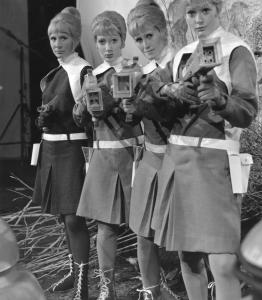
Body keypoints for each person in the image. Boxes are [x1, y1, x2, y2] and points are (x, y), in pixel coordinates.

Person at [145, 0, 258, 299]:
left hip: (216, 164)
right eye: (191, 12)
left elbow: (247, 110)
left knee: (222, 262)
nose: (197, 19)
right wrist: (170, 91)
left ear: (218, 9)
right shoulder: (181, 54)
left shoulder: (236, 50)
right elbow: (152, 96)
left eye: (205, 10)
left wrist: (221, 102)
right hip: (179, 160)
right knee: (189, 257)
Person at [73, 11, 143, 300]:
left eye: (113, 40)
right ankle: (106, 288)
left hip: (132, 155)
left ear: (122, 40)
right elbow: (81, 118)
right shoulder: (92, 75)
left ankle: (153, 283)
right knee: (105, 225)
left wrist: (109, 98)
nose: (108, 46)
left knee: (143, 226)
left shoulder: (135, 70)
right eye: (102, 41)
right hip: (103, 158)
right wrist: (84, 108)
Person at [32, 7, 90, 300]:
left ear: (75, 38)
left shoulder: (82, 71)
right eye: (53, 38)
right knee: (60, 216)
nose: (57, 43)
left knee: (73, 218)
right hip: (50, 148)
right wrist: (42, 117)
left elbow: (88, 116)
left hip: (70, 149)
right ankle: (72, 271)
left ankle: (83, 282)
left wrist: (73, 111)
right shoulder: (52, 73)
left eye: (63, 37)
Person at [123, 1, 179, 299]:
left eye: (149, 37)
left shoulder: (177, 67)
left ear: (163, 31)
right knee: (143, 232)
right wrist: (128, 111)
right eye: (139, 39)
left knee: (183, 235)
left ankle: (205, 289)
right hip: (150, 158)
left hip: (178, 160)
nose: (144, 45)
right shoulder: (139, 74)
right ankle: (150, 291)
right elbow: (133, 121)